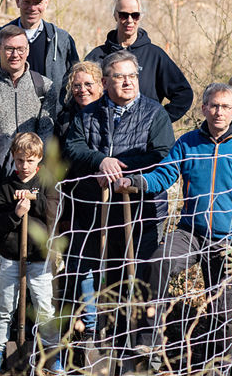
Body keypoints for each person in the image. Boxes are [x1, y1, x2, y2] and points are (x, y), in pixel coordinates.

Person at [125, 82, 232, 376]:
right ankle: (149, 346)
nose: (219, 112)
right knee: (158, 261)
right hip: (190, 232)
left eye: (225, 107)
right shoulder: (188, 142)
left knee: (223, 308)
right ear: (203, 108)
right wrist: (137, 182)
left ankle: (217, 372)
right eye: (213, 106)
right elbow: (164, 174)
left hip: (230, 240)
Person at [63, 52, 175, 343]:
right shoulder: (88, 114)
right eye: (120, 76)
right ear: (105, 81)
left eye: (133, 76)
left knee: (139, 277)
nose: (128, 82)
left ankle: (139, 344)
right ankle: (108, 338)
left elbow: (162, 154)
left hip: (143, 211)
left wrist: (123, 170)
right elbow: (73, 146)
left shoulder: (155, 114)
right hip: (101, 211)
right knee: (109, 277)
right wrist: (100, 160)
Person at [0, 133, 56, 372]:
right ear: (13, 158)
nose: (24, 166)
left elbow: (53, 213)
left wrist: (34, 201)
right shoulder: (6, 187)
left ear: (39, 161)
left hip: (38, 257)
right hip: (11, 256)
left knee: (44, 306)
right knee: (5, 306)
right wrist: (16, 214)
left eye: (30, 161)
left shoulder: (47, 182)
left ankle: (53, 354)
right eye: (20, 160)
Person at [85, 0, 193, 121]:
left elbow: (184, 94)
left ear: (140, 16)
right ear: (115, 16)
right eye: (124, 15)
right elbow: (81, 93)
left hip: (144, 137)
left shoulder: (155, 55)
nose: (130, 20)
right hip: (103, 134)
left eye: (135, 15)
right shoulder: (97, 56)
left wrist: (158, 122)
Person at [0, 0, 79, 104]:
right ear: (17, 1)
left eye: (37, 3)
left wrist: (64, 117)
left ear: (46, 2)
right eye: (27, 2)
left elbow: (75, 82)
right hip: (7, 119)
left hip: (52, 119)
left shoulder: (62, 40)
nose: (32, 8)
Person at [0, 24, 54, 140]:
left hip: (33, 157)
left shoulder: (45, 86)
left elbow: (46, 136)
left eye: (20, 49)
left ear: (28, 50)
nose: (15, 55)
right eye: (9, 49)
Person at [53, 60, 103, 145]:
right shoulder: (64, 121)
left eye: (88, 84)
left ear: (101, 86)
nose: (82, 90)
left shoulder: (111, 116)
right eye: (77, 85)